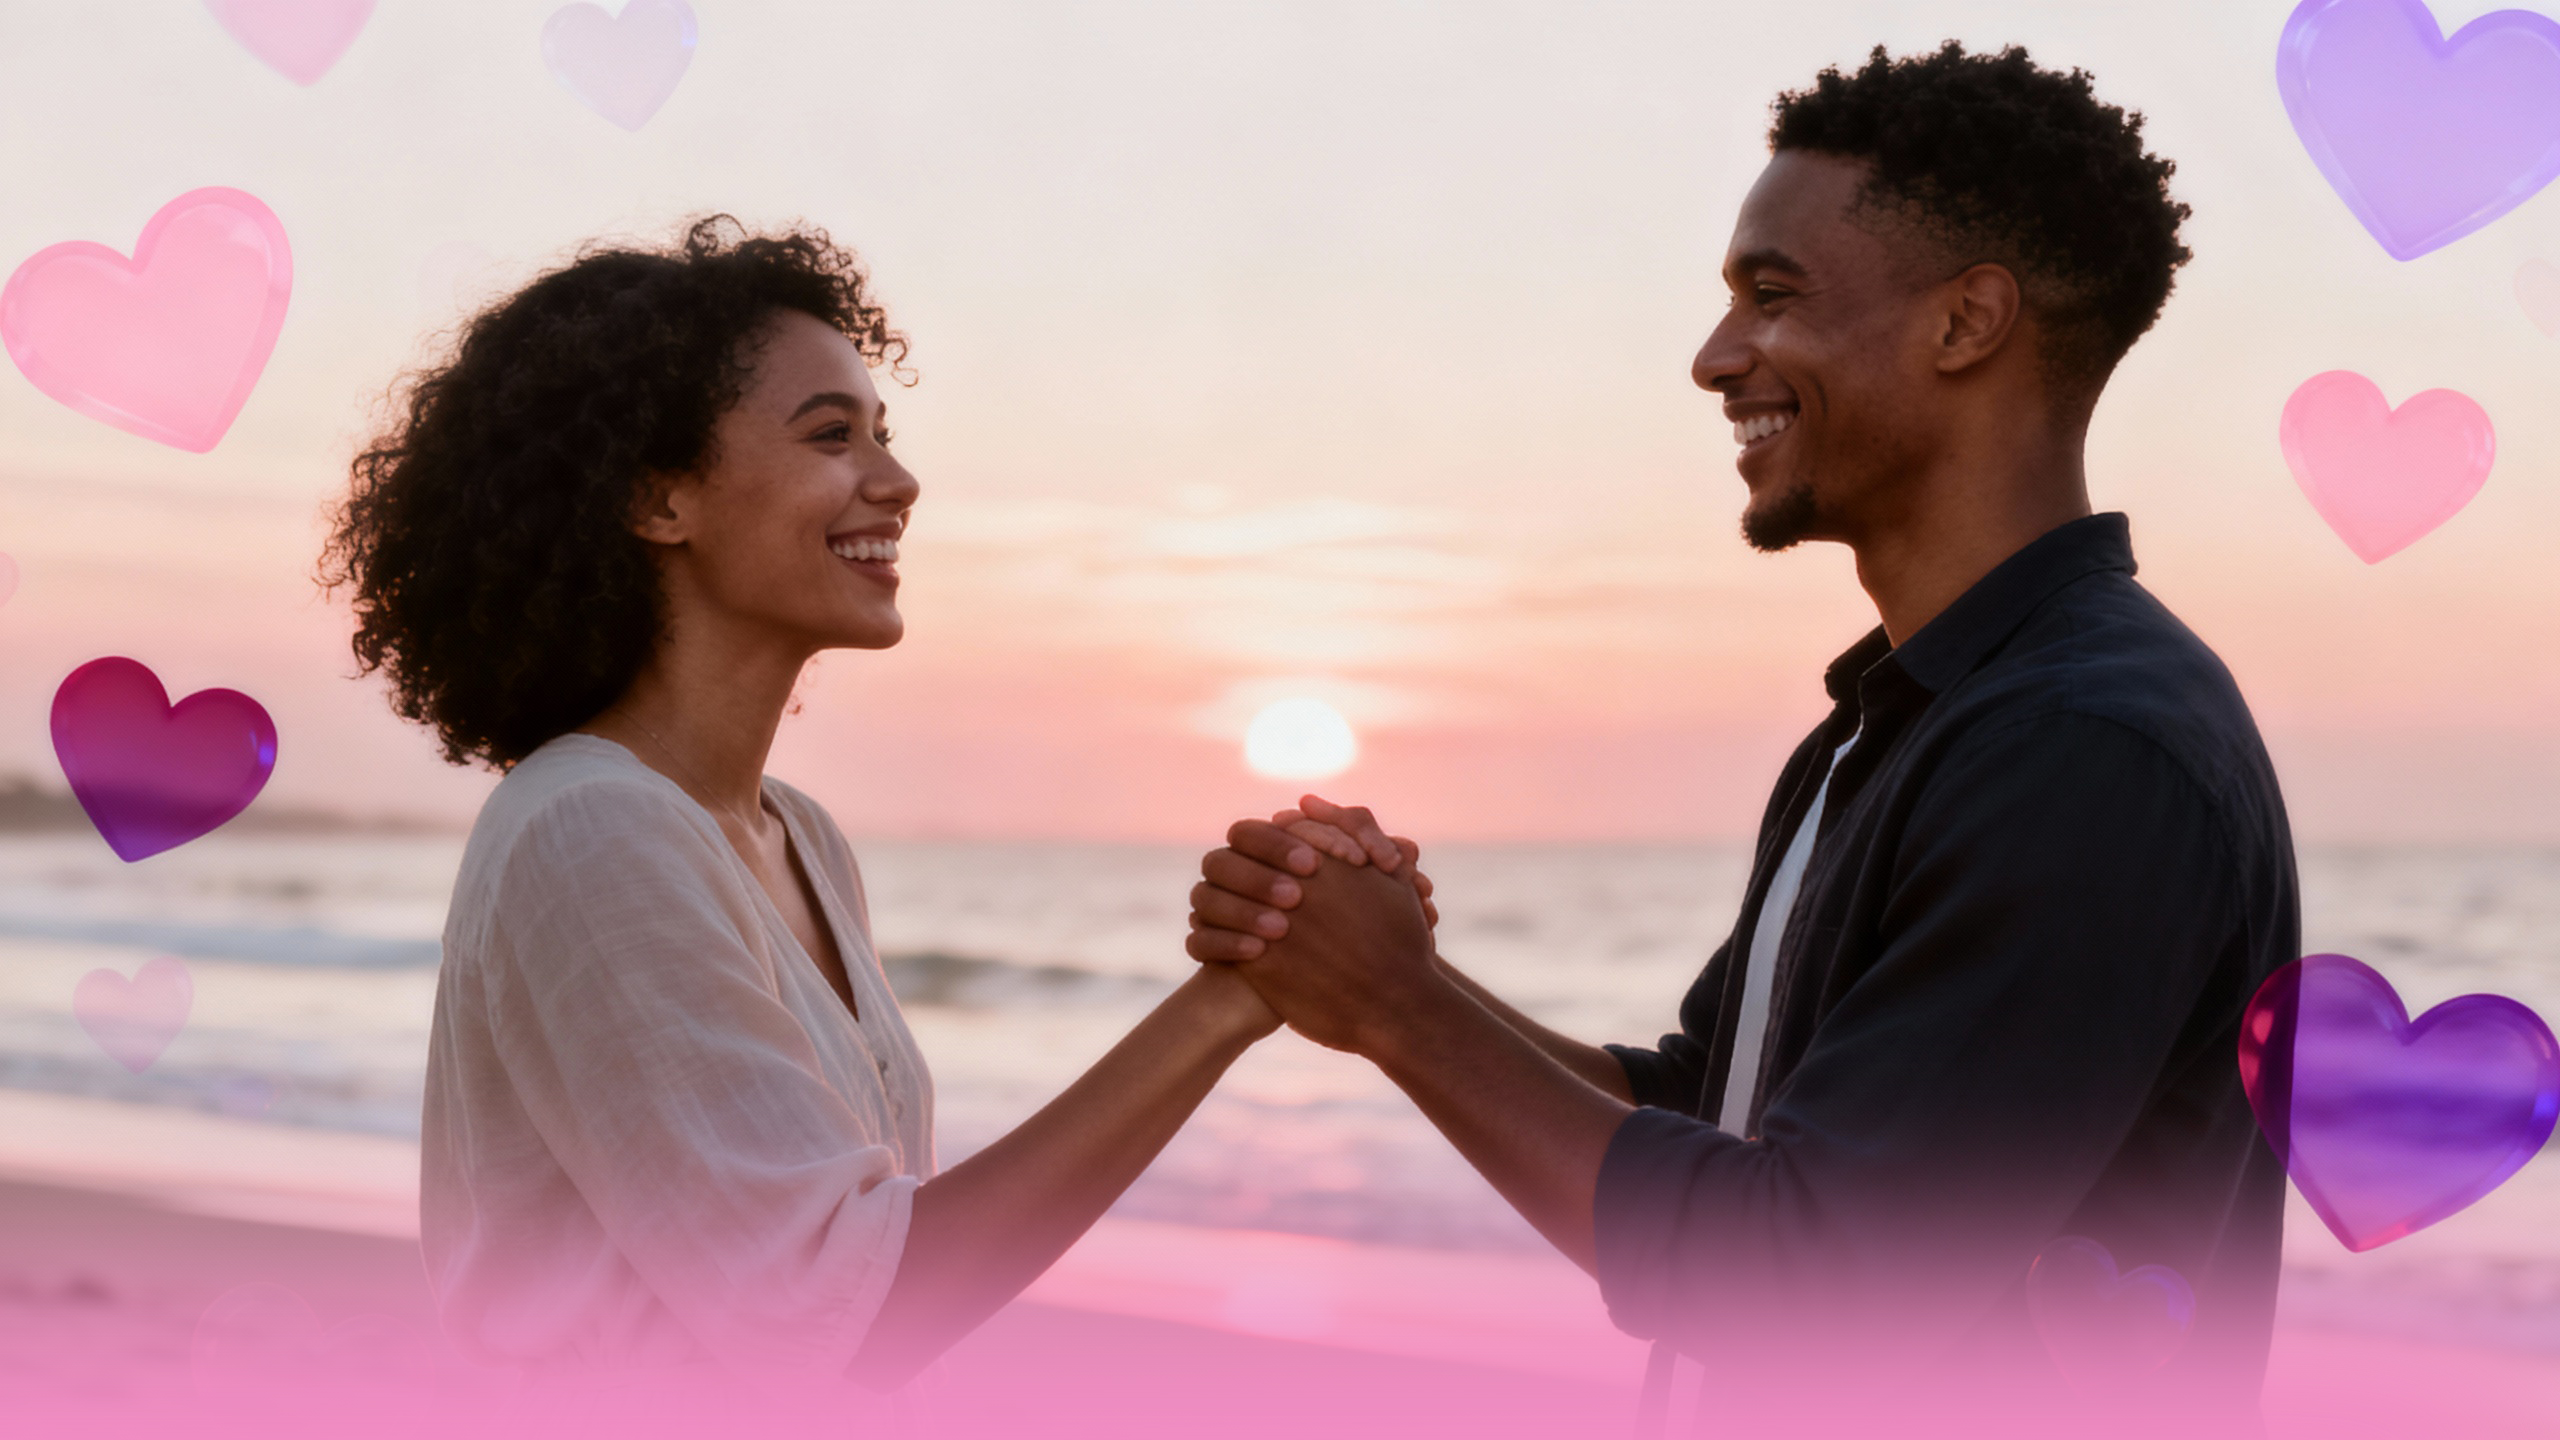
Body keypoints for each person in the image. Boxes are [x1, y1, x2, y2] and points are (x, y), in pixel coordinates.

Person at [1184, 42, 2296, 1432]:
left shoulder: (2083, 751)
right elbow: (1708, 1105)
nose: (1714, 359)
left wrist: (1399, 1011)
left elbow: (1810, 1283)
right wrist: (1381, 967)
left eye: (1772, 297)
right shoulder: (1896, 720)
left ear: (1967, 323)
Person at [322, 218, 1282, 1394]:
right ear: (657, 497)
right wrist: (1229, 1002)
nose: (898, 482)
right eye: (832, 434)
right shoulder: (590, 830)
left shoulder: (799, 838)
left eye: (883, 433)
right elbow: (839, 1312)